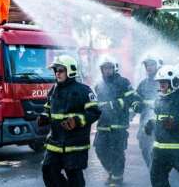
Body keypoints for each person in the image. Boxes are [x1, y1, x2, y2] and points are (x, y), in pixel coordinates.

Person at [40, 55, 101, 187]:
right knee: (48, 170)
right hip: (55, 142)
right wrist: (44, 116)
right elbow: (48, 106)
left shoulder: (83, 90)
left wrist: (76, 121)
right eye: (56, 70)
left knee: (74, 177)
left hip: (75, 144)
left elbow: (94, 112)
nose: (57, 73)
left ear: (70, 70)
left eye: (61, 70)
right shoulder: (54, 89)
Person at [93, 56, 140, 186]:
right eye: (104, 68)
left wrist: (115, 104)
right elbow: (95, 103)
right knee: (100, 150)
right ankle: (112, 171)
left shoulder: (123, 82)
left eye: (109, 68)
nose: (107, 70)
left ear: (114, 68)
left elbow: (132, 99)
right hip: (103, 125)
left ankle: (117, 178)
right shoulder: (98, 85)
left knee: (117, 153)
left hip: (118, 125)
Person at [135, 56, 163, 167]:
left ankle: (160, 171)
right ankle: (152, 168)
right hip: (145, 123)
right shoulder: (142, 84)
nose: (149, 67)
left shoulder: (163, 81)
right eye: (147, 65)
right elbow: (136, 100)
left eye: (152, 64)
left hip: (161, 122)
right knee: (144, 146)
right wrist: (135, 106)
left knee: (159, 148)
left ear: (157, 66)